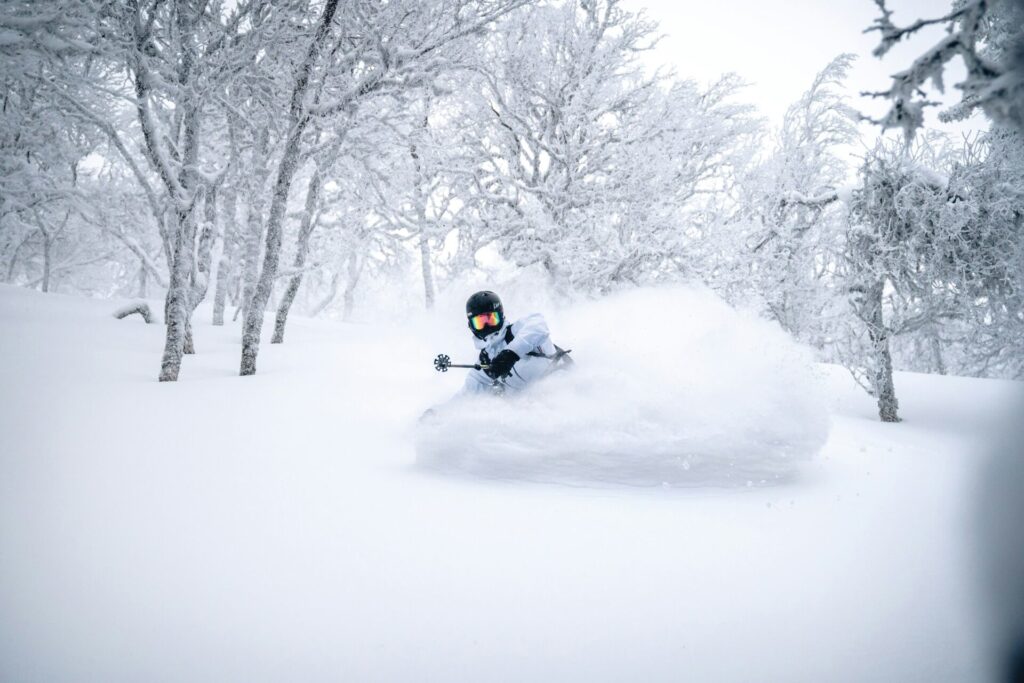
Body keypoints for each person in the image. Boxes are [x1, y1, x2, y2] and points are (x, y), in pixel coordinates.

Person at [461, 290, 570, 394]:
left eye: (491, 319)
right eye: (479, 323)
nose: (487, 326)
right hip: (532, 400)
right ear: (471, 326)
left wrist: (511, 354)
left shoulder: (516, 332)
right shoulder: (486, 359)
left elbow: (538, 326)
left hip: (562, 385)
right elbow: (468, 392)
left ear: (501, 316)